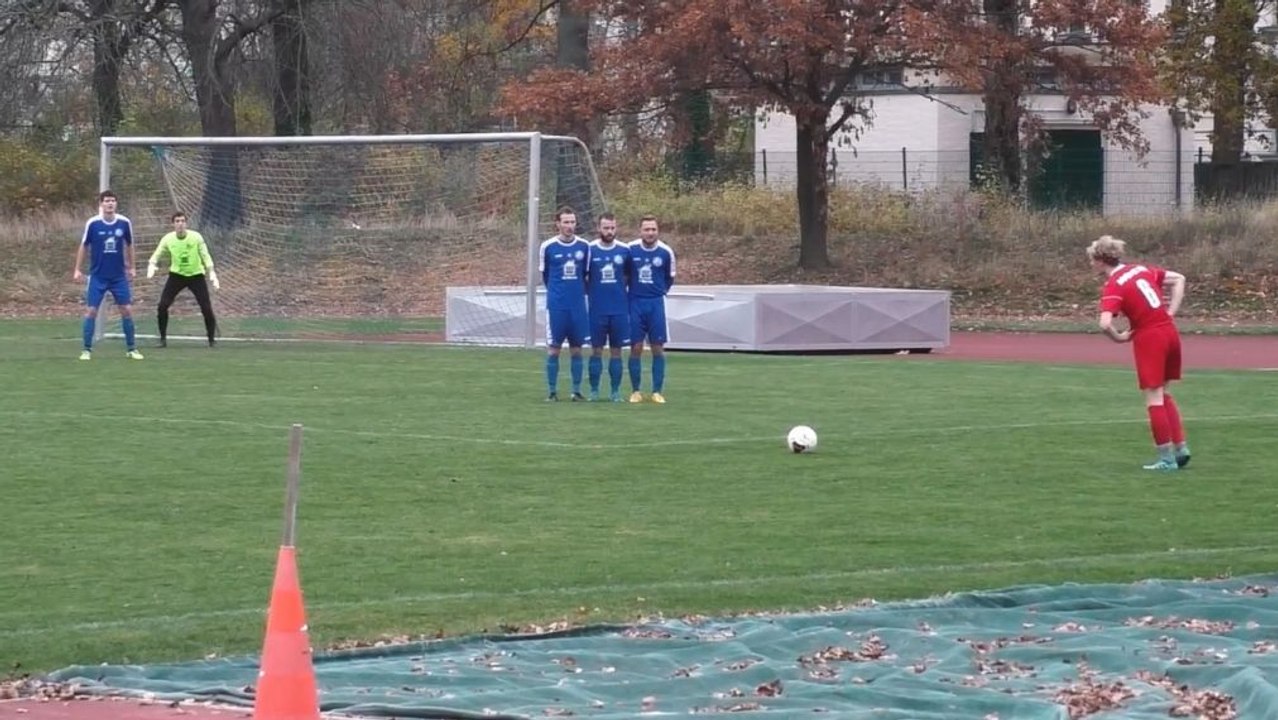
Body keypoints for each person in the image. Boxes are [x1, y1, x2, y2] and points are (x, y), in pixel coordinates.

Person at [1088, 235, 1190, 471]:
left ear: (1101, 260)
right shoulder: (1140, 269)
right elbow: (1179, 279)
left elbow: (1104, 323)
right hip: (1169, 332)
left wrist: (1119, 337)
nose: (1091, 264)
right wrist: (1171, 312)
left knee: (1153, 398)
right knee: (1164, 393)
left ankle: (1166, 459)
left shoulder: (1114, 285)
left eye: (1092, 260)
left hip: (1150, 338)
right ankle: (1181, 448)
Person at [73, 190, 142, 360]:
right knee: (91, 311)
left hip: (119, 277)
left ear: (116, 204)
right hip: (97, 277)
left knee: (126, 309)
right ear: (101, 204)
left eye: (112, 201)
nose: (110, 204)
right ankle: (86, 350)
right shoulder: (93, 223)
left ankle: (131, 349)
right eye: (107, 201)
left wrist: (132, 267)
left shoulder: (124, 223)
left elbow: (130, 245)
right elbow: (84, 246)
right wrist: (77, 269)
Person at [540, 206, 592, 401]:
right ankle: (552, 392)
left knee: (577, 348)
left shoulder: (584, 246)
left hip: (577, 306)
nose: (570, 226)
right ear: (558, 224)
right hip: (557, 306)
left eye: (572, 222)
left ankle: (576, 391)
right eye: (566, 222)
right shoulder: (548, 247)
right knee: (554, 348)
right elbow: (545, 275)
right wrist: (557, 293)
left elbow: (586, 275)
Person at [147, 212, 221, 347]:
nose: (180, 224)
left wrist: (212, 273)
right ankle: (162, 339)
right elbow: (156, 255)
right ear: (173, 224)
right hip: (177, 276)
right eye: (177, 221)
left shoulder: (196, 237)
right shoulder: (168, 239)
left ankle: (211, 340)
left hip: (196, 276)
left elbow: (205, 255)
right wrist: (151, 266)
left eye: (182, 221)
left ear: (186, 223)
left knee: (206, 307)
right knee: (162, 306)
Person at [627, 215, 675, 404]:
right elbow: (625, 275)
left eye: (653, 229)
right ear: (640, 231)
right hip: (635, 302)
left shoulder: (665, 252)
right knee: (636, 347)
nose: (650, 233)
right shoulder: (630, 250)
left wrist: (659, 292)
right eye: (646, 229)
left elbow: (670, 278)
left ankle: (657, 391)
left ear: (658, 231)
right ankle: (635, 391)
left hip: (655, 303)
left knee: (657, 347)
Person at [585, 213, 632, 402]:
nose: (609, 231)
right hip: (597, 310)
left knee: (616, 351)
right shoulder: (590, 250)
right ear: (599, 228)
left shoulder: (624, 250)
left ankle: (615, 391)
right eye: (606, 228)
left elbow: (629, 276)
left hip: (619, 310)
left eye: (612, 227)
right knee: (596, 350)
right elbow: (584, 277)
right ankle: (594, 391)